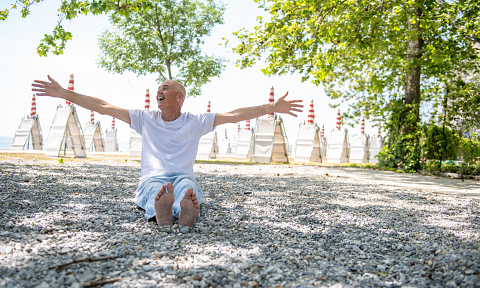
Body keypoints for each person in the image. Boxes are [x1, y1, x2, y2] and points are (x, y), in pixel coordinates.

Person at [32, 76, 303, 227]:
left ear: (179, 97)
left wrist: (271, 108)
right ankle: (169, 212)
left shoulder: (196, 121)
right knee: (155, 187)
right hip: (154, 177)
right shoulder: (144, 118)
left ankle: (175, 211)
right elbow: (102, 105)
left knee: (187, 187)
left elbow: (233, 115)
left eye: (166, 87)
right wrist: (65, 93)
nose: (159, 90)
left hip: (183, 176)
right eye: (159, 87)